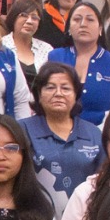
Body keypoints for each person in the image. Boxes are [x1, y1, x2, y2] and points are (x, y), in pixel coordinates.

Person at [23, 60, 104, 209]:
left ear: (76, 95)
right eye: (50, 87)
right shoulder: (22, 129)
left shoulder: (93, 133)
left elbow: (103, 180)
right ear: (38, 94)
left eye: (66, 88)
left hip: (85, 213)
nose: (58, 94)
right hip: (35, 213)